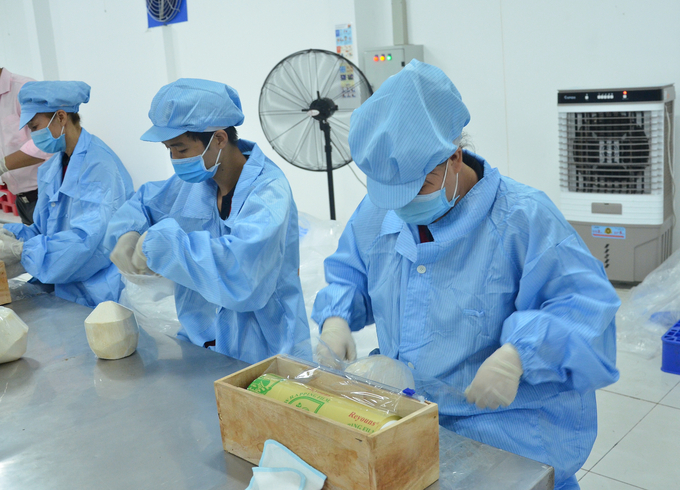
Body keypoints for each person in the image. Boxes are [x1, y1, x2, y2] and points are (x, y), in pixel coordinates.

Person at [311, 60, 619, 490]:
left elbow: (587, 309)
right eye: (389, 192)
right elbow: (353, 270)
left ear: (454, 157)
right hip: (412, 419)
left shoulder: (523, 218)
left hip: (509, 433)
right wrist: (337, 316)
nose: (402, 206)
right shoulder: (381, 208)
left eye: (418, 187)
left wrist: (519, 354)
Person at [105, 78, 310, 364]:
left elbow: (240, 274)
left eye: (181, 149)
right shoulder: (196, 181)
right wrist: (127, 232)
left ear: (219, 139)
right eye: (169, 150)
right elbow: (143, 203)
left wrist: (162, 246)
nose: (175, 160)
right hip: (203, 342)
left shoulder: (268, 192)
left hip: (266, 350)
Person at [0, 80, 134, 307]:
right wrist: (11, 236)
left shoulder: (99, 166)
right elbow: (43, 229)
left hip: (98, 290)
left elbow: (88, 242)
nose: (33, 136)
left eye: (34, 127)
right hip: (65, 283)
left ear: (61, 117)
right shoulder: (53, 168)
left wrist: (23, 251)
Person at [0, 68, 52, 224]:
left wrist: (3, 165)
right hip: (21, 200)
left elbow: (47, 141)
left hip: (48, 195)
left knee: (57, 246)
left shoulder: (25, 88)